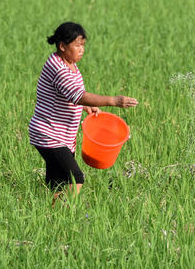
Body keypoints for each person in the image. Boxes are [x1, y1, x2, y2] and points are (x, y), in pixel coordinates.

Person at [28, 22, 138, 205]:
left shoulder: (69, 64)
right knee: (76, 178)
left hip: (62, 135)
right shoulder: (58, 68)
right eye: (77, 45)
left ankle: (50, 215)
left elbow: (69, 96)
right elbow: (78, 95)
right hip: (49, 135)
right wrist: (114, 101)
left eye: (83, 45)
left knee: (57, 184)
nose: (82, 50)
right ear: (63, 46)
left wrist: (86, 107)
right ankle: (66, 215)